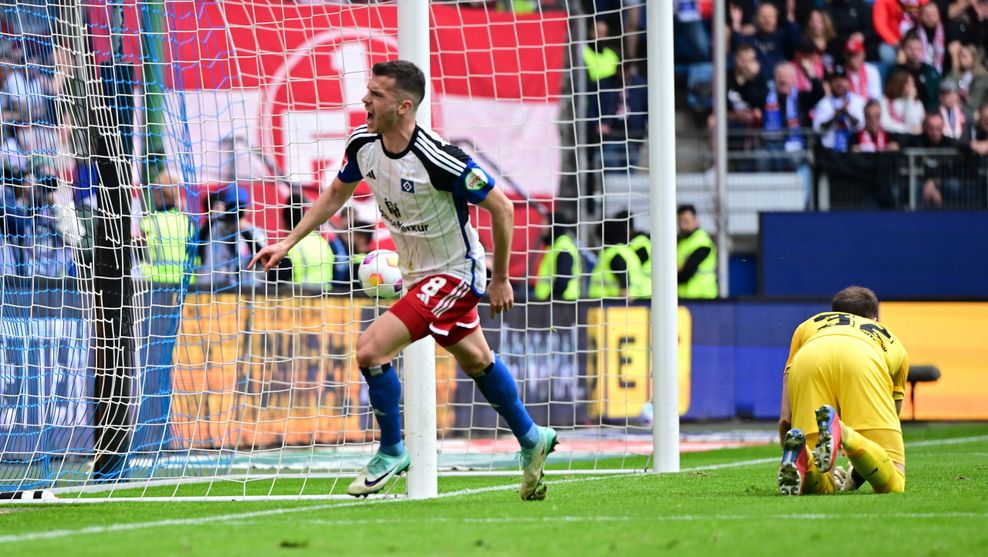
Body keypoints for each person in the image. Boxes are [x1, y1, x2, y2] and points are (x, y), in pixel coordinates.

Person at [250, 60, 557, 500]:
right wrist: (287, 242)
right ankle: (532, 438)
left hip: (457, 272)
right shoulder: (363, 144)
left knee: (370, 349)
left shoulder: (439, 157)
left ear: (403, 106)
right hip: (418, 276)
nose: (364, 101)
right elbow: (337, 193)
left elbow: (503, 208)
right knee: (476, 361)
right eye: (367, 91)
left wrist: (501, 279)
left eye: (376, 95)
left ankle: (392, 449)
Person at [777, 286, 909, 496]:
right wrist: (861, 467)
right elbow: (892, 413)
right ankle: (842, 431)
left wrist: (786, 421)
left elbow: (788, 376)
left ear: (834, 312)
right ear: (875, 317)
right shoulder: (892, 341)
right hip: (863, 357)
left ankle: (804, 457)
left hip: (810, 358)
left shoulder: (808, 325)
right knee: (894, 481)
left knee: (821, 481)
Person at [589, 211, 650, 299]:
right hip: (639, 298)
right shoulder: (624, 250)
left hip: (618, 304)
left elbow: (624, 276)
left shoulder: (615, 253)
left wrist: (623, 299)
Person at [813, 65, 866, 153]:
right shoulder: (823, 103)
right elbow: (818, 129)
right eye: (835, 80)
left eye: (842, 79)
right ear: (830, 83)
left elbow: (860, 126)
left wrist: (846, 113)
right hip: (829, 152)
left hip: (852, 150)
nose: (839, 83)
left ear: (848, 82)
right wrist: (835, 116)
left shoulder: (858, 101)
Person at [893, 32, 942, 113]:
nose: (914, 52)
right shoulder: (897, 72)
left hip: (928, 113)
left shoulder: (930, 71)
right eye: (910, 49)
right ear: (903, 49)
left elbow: (935, 98)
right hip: (903, 113)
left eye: (917, 49)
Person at [533, 222, 582, 302]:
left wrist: (550, 299)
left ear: (553, 226)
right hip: (556, 304)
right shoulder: (554, 247)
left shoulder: (563, 247)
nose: (541, 228)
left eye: (545, 223)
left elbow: (563, 280)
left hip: (562, 305)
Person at [676, 204, 717, 299]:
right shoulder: (682, 241)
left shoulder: (702, 241)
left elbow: (686, 273)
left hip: (703, 298)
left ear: (696, 220)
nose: (682, 225)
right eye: (680, 221)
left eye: (686, 221)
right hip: (685, 298)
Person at [881, 70, 927, 135]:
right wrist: (907, 129)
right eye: (908, 83)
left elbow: (914, 123)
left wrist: (910, 99)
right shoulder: (884, 101)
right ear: (899, 84)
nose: (912, 86)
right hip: (892, 136)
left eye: (912, 83)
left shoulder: (918, 104)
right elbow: (885, 124)